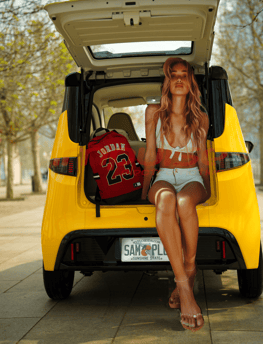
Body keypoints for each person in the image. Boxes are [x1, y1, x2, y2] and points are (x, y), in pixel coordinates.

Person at [141, 57, 211, 332]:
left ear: (191, 81)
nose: (179, 79)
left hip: (192, 176)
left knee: (184, 200)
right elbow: (149, 155)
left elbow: (203, 160)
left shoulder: (201, 116)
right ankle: (184, 286)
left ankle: (189, 269)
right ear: (167, 82)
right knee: (168, 198)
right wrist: (145, 189)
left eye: (185, 74)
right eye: (174, 75)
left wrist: (210, 190)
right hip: (163, 176)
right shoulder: (153, 113)